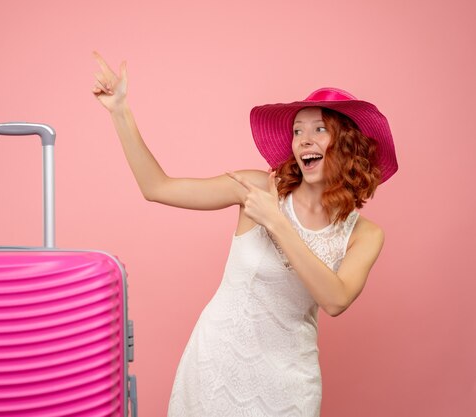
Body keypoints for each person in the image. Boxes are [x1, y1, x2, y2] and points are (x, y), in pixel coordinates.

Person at [91, 51, 398, 417]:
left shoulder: (365, 234)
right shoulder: (255, 187)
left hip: (290, 383)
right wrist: (120, 111)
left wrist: (277, 222)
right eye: (297, 131)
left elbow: (335, 300)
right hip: (217, 366)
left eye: (319, 129)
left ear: (347, 144)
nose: (303, 139)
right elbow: (156, 187)